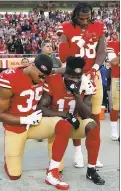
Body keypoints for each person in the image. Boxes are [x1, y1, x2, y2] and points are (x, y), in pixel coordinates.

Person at [37, 56, 105, 189]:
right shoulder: (53, 80)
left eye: (78, 78)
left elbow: (87, 114)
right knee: (64, 124)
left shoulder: (86, 83)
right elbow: (41, 108)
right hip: (54, 121)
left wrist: (77, 95)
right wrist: (65, 115)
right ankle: (53, 172)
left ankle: (91, 170)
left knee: (92, 125)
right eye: (72, 77)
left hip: (72, 123)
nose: (76, 80)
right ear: (65, 74)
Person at [57, 2, 106, 168]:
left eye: (87, 18)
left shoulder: (98, 26)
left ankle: (94, 154)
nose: (85, 22)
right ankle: (78, 153)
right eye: (81, 18)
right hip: (75, 76)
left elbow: (101, 51)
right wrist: (80, 43)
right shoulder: (66, 27)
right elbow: (63, 55)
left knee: (95, 116)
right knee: (77, 114)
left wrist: (95, 68)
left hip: (93, 74)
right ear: (74, 16)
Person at [0, 54, 53, 180]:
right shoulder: (10, 78)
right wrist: (25, 119)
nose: (43, 79)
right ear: (31, 66)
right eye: (41, 75)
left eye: (45, 77)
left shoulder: (43, 76)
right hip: (15, 126)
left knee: (61, 125)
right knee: (14, 175)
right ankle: (9, 159)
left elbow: (63, 70)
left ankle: (55, 166)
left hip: (36, 124)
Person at [107, 40, 120, 141]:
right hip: (118, 78)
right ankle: (114, 129)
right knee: (116, 105)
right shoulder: (112, 44)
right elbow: (113, 62)